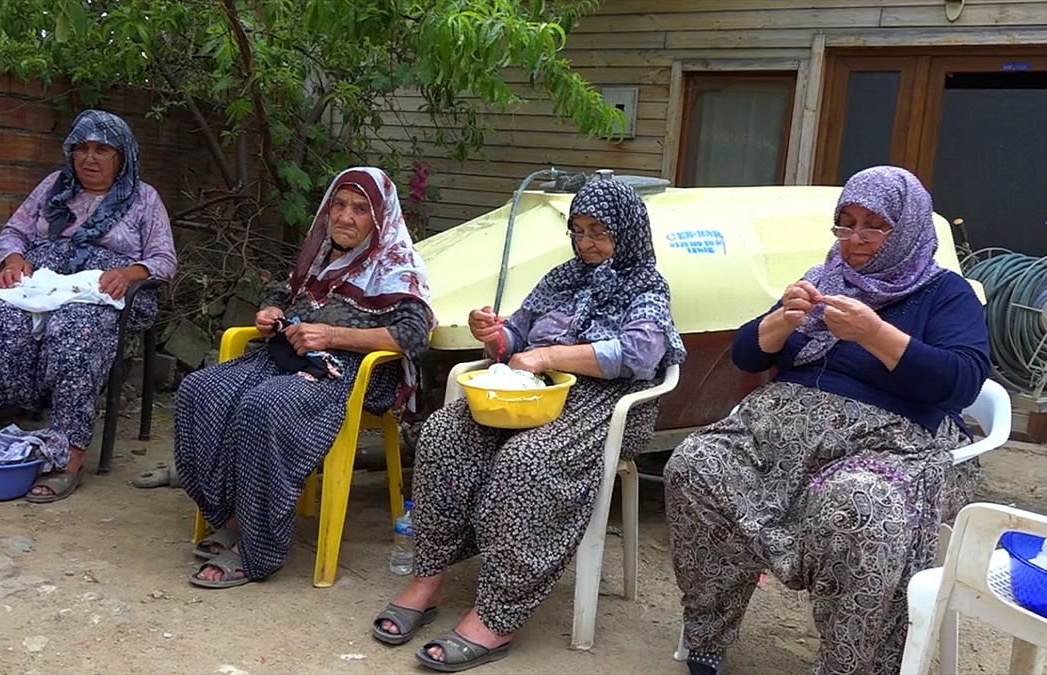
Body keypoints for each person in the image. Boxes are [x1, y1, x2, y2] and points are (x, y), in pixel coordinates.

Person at [665, 166, 992, 675]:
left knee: (861, 505)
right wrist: (779, 320)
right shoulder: (822, 279)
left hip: (887, 443)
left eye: (873, 226)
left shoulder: (944, 292)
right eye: (846, 223)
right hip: (778, 432)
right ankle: (709, 630)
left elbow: (962, 381)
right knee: (696, 464)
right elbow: (747, 356)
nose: (854, 239)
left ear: (906, 228)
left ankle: (848, 665)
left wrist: (874, 334)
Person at [373, 177, 686, 672]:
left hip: (603, 403)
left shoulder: (645, 286)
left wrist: (549, 356)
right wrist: (493, 335)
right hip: (532, 393)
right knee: (443, 435)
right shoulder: (562, 277)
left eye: (599, 232)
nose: (586, 243)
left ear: (627, 232)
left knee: (527, 462)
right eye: (578, 231)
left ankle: (498, 614)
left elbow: (639, 354)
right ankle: (428, 578)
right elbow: (516, 337)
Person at [174, 166, 434, 589]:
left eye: (360, 209)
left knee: (264, 406)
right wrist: (271, 311)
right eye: (339, 204)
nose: (345, 217)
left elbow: (413, 337)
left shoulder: (397, 266)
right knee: (200, 391)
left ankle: (257, 546)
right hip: (288, 358)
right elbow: (285, 290)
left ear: (379, 218)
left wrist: (332, 335)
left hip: (345, 372)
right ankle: (232, 514)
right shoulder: (321, 255)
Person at [0, 109, 176, 502]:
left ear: (122, 156)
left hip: (104, 290)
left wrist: (129, 272)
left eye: (102, 150)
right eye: (81, 148)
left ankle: (67, 457)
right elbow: (14, 232)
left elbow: (164, 260)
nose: (89, 158)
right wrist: (12, 259)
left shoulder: (144, 198)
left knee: (75, 331)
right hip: (41, 285)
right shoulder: (54, 185)